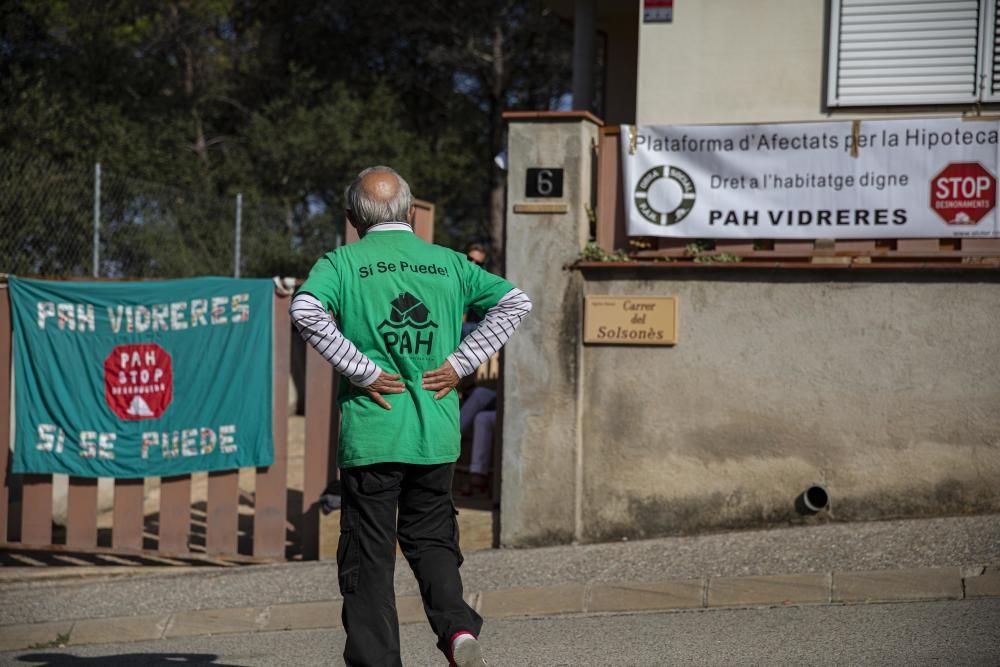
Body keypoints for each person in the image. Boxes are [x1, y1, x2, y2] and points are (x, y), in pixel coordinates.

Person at [290, 166, 531, 667]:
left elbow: (306, 311)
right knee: (433, 539)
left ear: (354, 216)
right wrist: (462, 363)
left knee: (368, 559)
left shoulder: (341, 262)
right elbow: (515, 302)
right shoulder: (448, 263)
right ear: (410, 211)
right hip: (436, 433)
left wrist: (362, 370)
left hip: (374, 433)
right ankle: (459, 629)